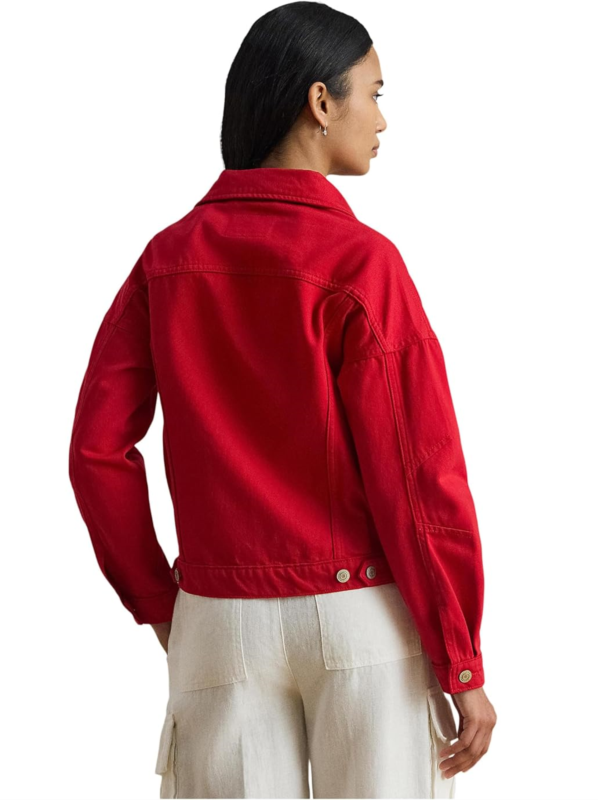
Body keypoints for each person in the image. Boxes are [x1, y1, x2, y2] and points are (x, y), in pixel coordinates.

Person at [68, 2, 496, 797]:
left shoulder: (166, 259)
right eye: (375, 93)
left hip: (217, 618)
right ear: (320, 101)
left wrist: (161, 603)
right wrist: (460, 655)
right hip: (360, 615)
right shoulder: (362, 263)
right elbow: (418, 474)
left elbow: (96, 452)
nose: (383, 119)